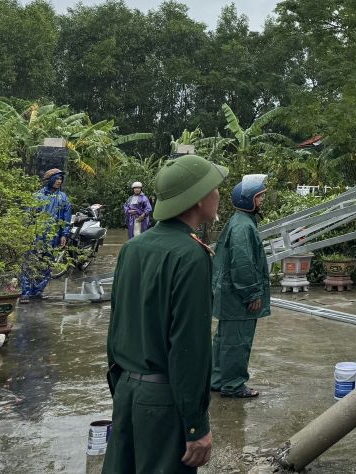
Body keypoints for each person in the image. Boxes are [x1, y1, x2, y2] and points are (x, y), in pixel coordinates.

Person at [104, 154, 227, 473]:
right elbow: (189, 348)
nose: (219, 195)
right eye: (215, 188)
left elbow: (115, 327)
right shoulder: (190, 256)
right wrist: (195, 425)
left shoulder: (133, 248)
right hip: (164, 400)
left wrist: (121, 389)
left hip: (129, 391)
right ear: (199, 199)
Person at [211, 174, 271, 399]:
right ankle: (234, 385)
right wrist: (252, 293)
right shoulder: (243, 227)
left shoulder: (240, 221)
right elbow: (243, 264)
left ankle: (217, 380)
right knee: (237, 343)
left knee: (224, 341)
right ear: (248, 200)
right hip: (238, 299)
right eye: (259, 197)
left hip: (229, 297)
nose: (262, 200)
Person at [20, 168, 72, 302]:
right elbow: (29, 216)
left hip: (53, 237)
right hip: (36, 235)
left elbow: (66, 218)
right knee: (30, 263)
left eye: (61, 179)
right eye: (57, 179)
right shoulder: (37, 196)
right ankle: (25, 291)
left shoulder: (63, 197)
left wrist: (64, 235)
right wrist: (28, 233)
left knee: (47, 264)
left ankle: (38, 291)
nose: (59, 181)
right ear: (49, 180)